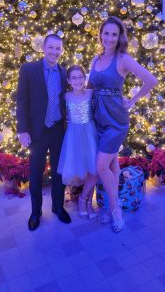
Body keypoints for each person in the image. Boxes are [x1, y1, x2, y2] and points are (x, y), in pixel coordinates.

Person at [88, 16, 157, 232]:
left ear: (119, 38)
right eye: (106, 33)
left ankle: (115, 208)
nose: (109, 38)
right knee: (111, 164)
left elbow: (151, 80)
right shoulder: (95, 59)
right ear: (100, 34)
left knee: (101, 166)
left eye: (113, 34)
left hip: (116, 121)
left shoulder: (122, 59)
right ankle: (109, 208)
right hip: (96, 117)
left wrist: (133, 100)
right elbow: (90, 87)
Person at [16, 34, 71, 231]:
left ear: (61, 51)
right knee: (36, 173)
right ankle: (35, 212)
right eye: (51, 47)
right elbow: (21, 101)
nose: (54, 52)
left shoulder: (65, 73)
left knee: (59, 172)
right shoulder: (29, 69)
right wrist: (22, 130)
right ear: (44, 48)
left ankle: (58, 206)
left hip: (58, 130)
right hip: (37, 132)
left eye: (58, 48)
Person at [57, 65, 98, 220]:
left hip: (90, 134)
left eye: (80, 77)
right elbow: (62, 115)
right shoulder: (66, 97)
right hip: (74, 136)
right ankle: (84, 201)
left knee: (94, 170)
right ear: (68, 80)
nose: (77, 80)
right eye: (73, 78)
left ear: (84, 78)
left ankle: (85, 201)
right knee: (85, 169)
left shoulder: (91, 93)